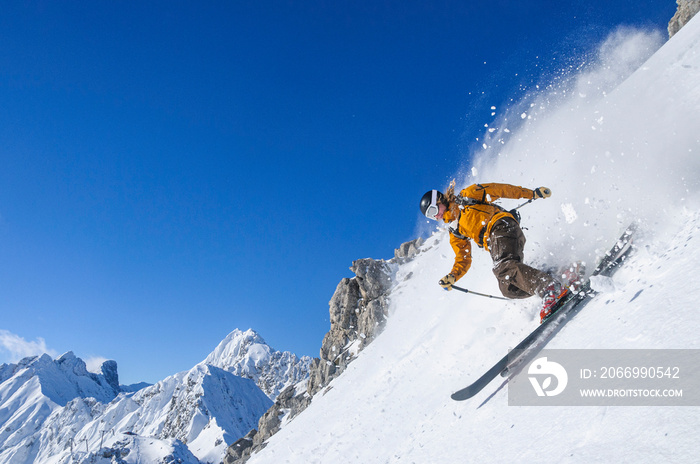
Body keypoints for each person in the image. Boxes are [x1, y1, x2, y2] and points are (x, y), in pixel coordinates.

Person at [419, 181, 567, 322]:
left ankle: (549, 287)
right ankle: (553, 275)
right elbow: (462, 258)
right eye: (430, 216)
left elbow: (500, 189)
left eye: (433, 210)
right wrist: (453, 275)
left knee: (503, 269)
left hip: (501, 226)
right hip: (495, 243)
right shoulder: (455, 231)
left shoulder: (466, 196)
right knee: (508, 288)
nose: (435, 217)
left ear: (440, 200)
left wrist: (531, 193)